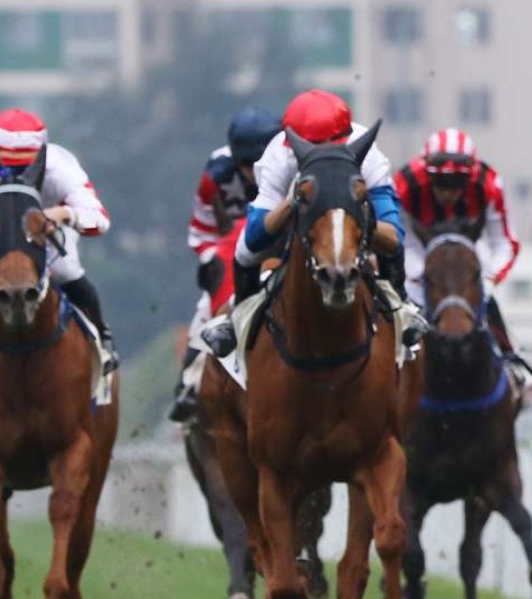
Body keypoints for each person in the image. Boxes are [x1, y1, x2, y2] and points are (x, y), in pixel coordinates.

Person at [200, 89, 411, 357]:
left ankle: (402, 308)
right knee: (243, 251)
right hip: (294, 235)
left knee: (392, 249)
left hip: (353, 233)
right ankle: (239, 318)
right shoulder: (279, 156)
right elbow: (253, 236)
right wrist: (290, 203)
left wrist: (361, 217)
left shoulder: (367, 156)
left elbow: (393, 237)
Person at [0, 108, 116, 382]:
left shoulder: (60, 168)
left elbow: (100, 219)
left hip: (46, 236)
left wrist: (63, 214)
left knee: (67, 270)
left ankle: (103, 337)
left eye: (23, 169)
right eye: (10, 169)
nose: (15, 175)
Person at [169, 105, 281, 422]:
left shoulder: (292, 166)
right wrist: (215, 258)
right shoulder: (216, 175)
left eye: (259, 163)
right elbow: (201, 230)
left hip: (280, 249)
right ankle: (189, 381)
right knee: (207, 307)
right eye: (246, 164)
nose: (253, 171)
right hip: (231, 253)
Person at [394, 127, 522, 359]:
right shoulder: (404, 185)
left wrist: (490, 278)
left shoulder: (488, 185)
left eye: (457, 183)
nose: (448, 193)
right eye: (440, 182)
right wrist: (422, 274)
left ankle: (511, 357)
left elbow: (505, 243)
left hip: (470, 252)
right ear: (427, 174)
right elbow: (401, 239)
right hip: (420, 255)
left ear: (470, 177)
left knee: (485, 302)